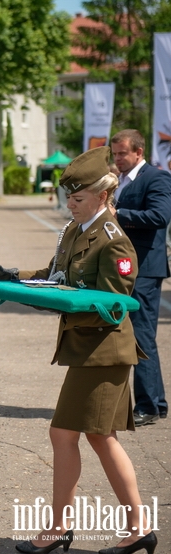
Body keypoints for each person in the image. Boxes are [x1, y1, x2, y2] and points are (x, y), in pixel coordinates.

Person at [0, 146, 156, 554]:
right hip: (88, 351)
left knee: (66, 434)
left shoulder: (114, 241)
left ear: (102, 196)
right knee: (100, 438)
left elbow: (113, 305)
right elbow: (54, 275)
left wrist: (57, 300)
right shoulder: (76, 230)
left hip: (105, 351)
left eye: (77, 199)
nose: (70, 205)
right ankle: (137, 527)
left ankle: (60, 527)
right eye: (68, 198)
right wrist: (13, 278)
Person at [110, 129, 171, 427]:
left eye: (122, 153)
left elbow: (160, 217)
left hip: (145, 268)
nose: (118, 158)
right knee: (141, 335)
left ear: (139, 151)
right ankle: (156, 403)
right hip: (127, 267)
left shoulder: (155, 178)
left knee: (141, 337)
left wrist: (119, 214)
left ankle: (146, 406)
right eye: (115, 153)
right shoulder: (119, 181)